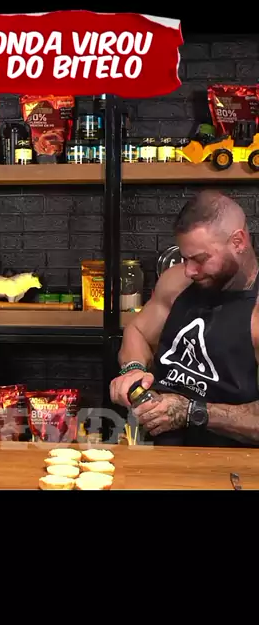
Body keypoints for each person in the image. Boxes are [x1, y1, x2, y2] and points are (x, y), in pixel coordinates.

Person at [110, 190, 259, 447]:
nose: (189, 270)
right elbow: (138, 332)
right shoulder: (176, 282)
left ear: (238, 242)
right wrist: (134, 369)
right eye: (185, 258)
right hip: (153, 450)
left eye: (200, 259)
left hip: (224, 460)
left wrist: (191, 412)